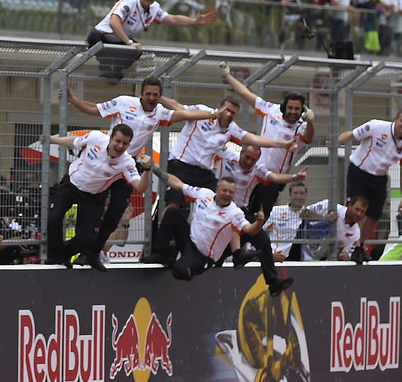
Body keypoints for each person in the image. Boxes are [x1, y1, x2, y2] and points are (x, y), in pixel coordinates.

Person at [63, 77, 214, 269]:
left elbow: (185, 114)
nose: (151, 98)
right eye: (148, 94)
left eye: (155, 95)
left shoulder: (160, 112)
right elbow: (95, 109)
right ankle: (82, 253)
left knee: (116, 213)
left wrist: (214, 114)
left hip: (127, 166)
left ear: (160, 97)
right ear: (141, 93)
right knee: (96, 211)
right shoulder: (124, 102)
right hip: (108, 162)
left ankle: (94, 253)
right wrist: (73, 99)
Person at [157, 96, 297, 214]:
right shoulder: (204, 111)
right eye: (227, 110)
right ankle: (160, 243)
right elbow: (178, 107)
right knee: (174, 206)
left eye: (233, 113)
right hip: (181, 165)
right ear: (219, 107)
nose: (229, 115)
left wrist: (282, 144)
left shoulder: (231, 128)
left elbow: (253, 139)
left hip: (204, 172)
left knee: (220, 203)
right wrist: (159, 97)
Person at [45, 125, 153, 270]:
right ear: (110, 138)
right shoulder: (95, 138)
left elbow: (140, 186)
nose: (120, 146)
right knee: (53, 217)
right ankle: (54, 258)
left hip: (93, 196)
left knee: (86, 238)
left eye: (125, 144)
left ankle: (65, 254)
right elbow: (74, 142)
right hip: (71, 183)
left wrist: (146, 170)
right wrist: (52, 140)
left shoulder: (127, 162)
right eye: (118, 141)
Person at [219, 61, 315, 220]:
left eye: (297, 109)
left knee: (259, 218)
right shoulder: (271, 109)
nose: (292, 112)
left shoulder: (301, 127)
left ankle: (245, 244)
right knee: (238, 212)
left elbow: (310, 137)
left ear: (301, 110)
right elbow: (245, 94)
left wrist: (311, 120)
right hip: (253, 172)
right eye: (290, 108)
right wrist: (228, 75)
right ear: (285, 106)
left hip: (271, 180)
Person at [218, 144, 307, 295]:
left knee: (263, 241)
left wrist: (293, 178)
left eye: (253, 159)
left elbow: (274, 177)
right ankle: (222, 258)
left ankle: (273, 283)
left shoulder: (257, 169)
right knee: (223, 245)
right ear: (241, 153)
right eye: (247, 157)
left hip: (240, 212)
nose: (248, 162)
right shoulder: (228, 158)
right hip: (220, 208)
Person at [87, 0, 218, 79]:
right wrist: (130, 43)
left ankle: (114, 71)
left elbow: (172, 19)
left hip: (120, 41)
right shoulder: (128, 2)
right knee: (117, 45)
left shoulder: (154, 7)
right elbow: (114, 23)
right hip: (101, 37)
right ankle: (106, 68)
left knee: (137, 52)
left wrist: (195, 21)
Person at [145, 173, 266, 281]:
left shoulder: (234, 212)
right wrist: (154, 169)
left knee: (179, 270)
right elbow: (178, 184)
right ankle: (162, 254)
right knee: (172, 212)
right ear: (217, 189)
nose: (227, 194)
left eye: (231, 192)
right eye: (224, 190)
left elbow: (250, 229)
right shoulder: (204, 194)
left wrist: (259, 222)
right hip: (189, 240)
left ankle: (192, 268)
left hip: (202, 255)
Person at [337, 108, 402, 248]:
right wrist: (336, 142)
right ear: (395, 120)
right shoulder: (376, 126)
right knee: (357, 211)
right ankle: (349, 244)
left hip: (379, 177)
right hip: (359, 171)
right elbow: (352, 135)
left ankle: (360, 245)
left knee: (374, 215)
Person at [306, 195, 370, 262]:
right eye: (357, 209)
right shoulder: (332, 206)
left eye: (362, 212)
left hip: (322, 260)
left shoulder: (356, 233)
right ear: (350, 206)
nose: (358, 214)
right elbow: (303, 213)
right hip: (304, 249)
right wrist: (324, 219)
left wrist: (343, 256)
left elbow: (345, 254)